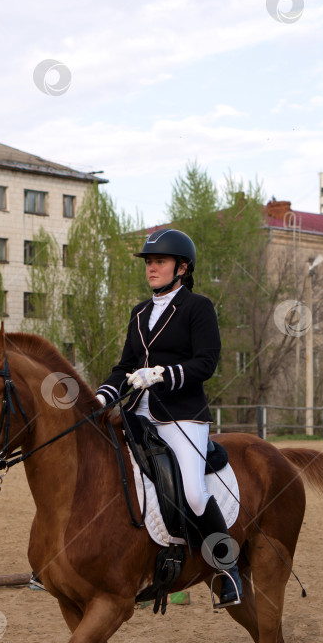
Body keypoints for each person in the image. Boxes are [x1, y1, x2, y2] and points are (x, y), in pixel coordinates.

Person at [96, 228, 242, 608]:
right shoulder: (140, 312)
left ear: (182, 267)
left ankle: (228, 568)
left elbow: (205, 363)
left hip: (181, 416)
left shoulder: (198, 307)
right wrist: (99, 397)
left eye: (159, 261)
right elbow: (126, 365)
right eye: (149, 262)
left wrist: (162, 374)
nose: (152, 268)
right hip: (137, 412)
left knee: (194, 493)